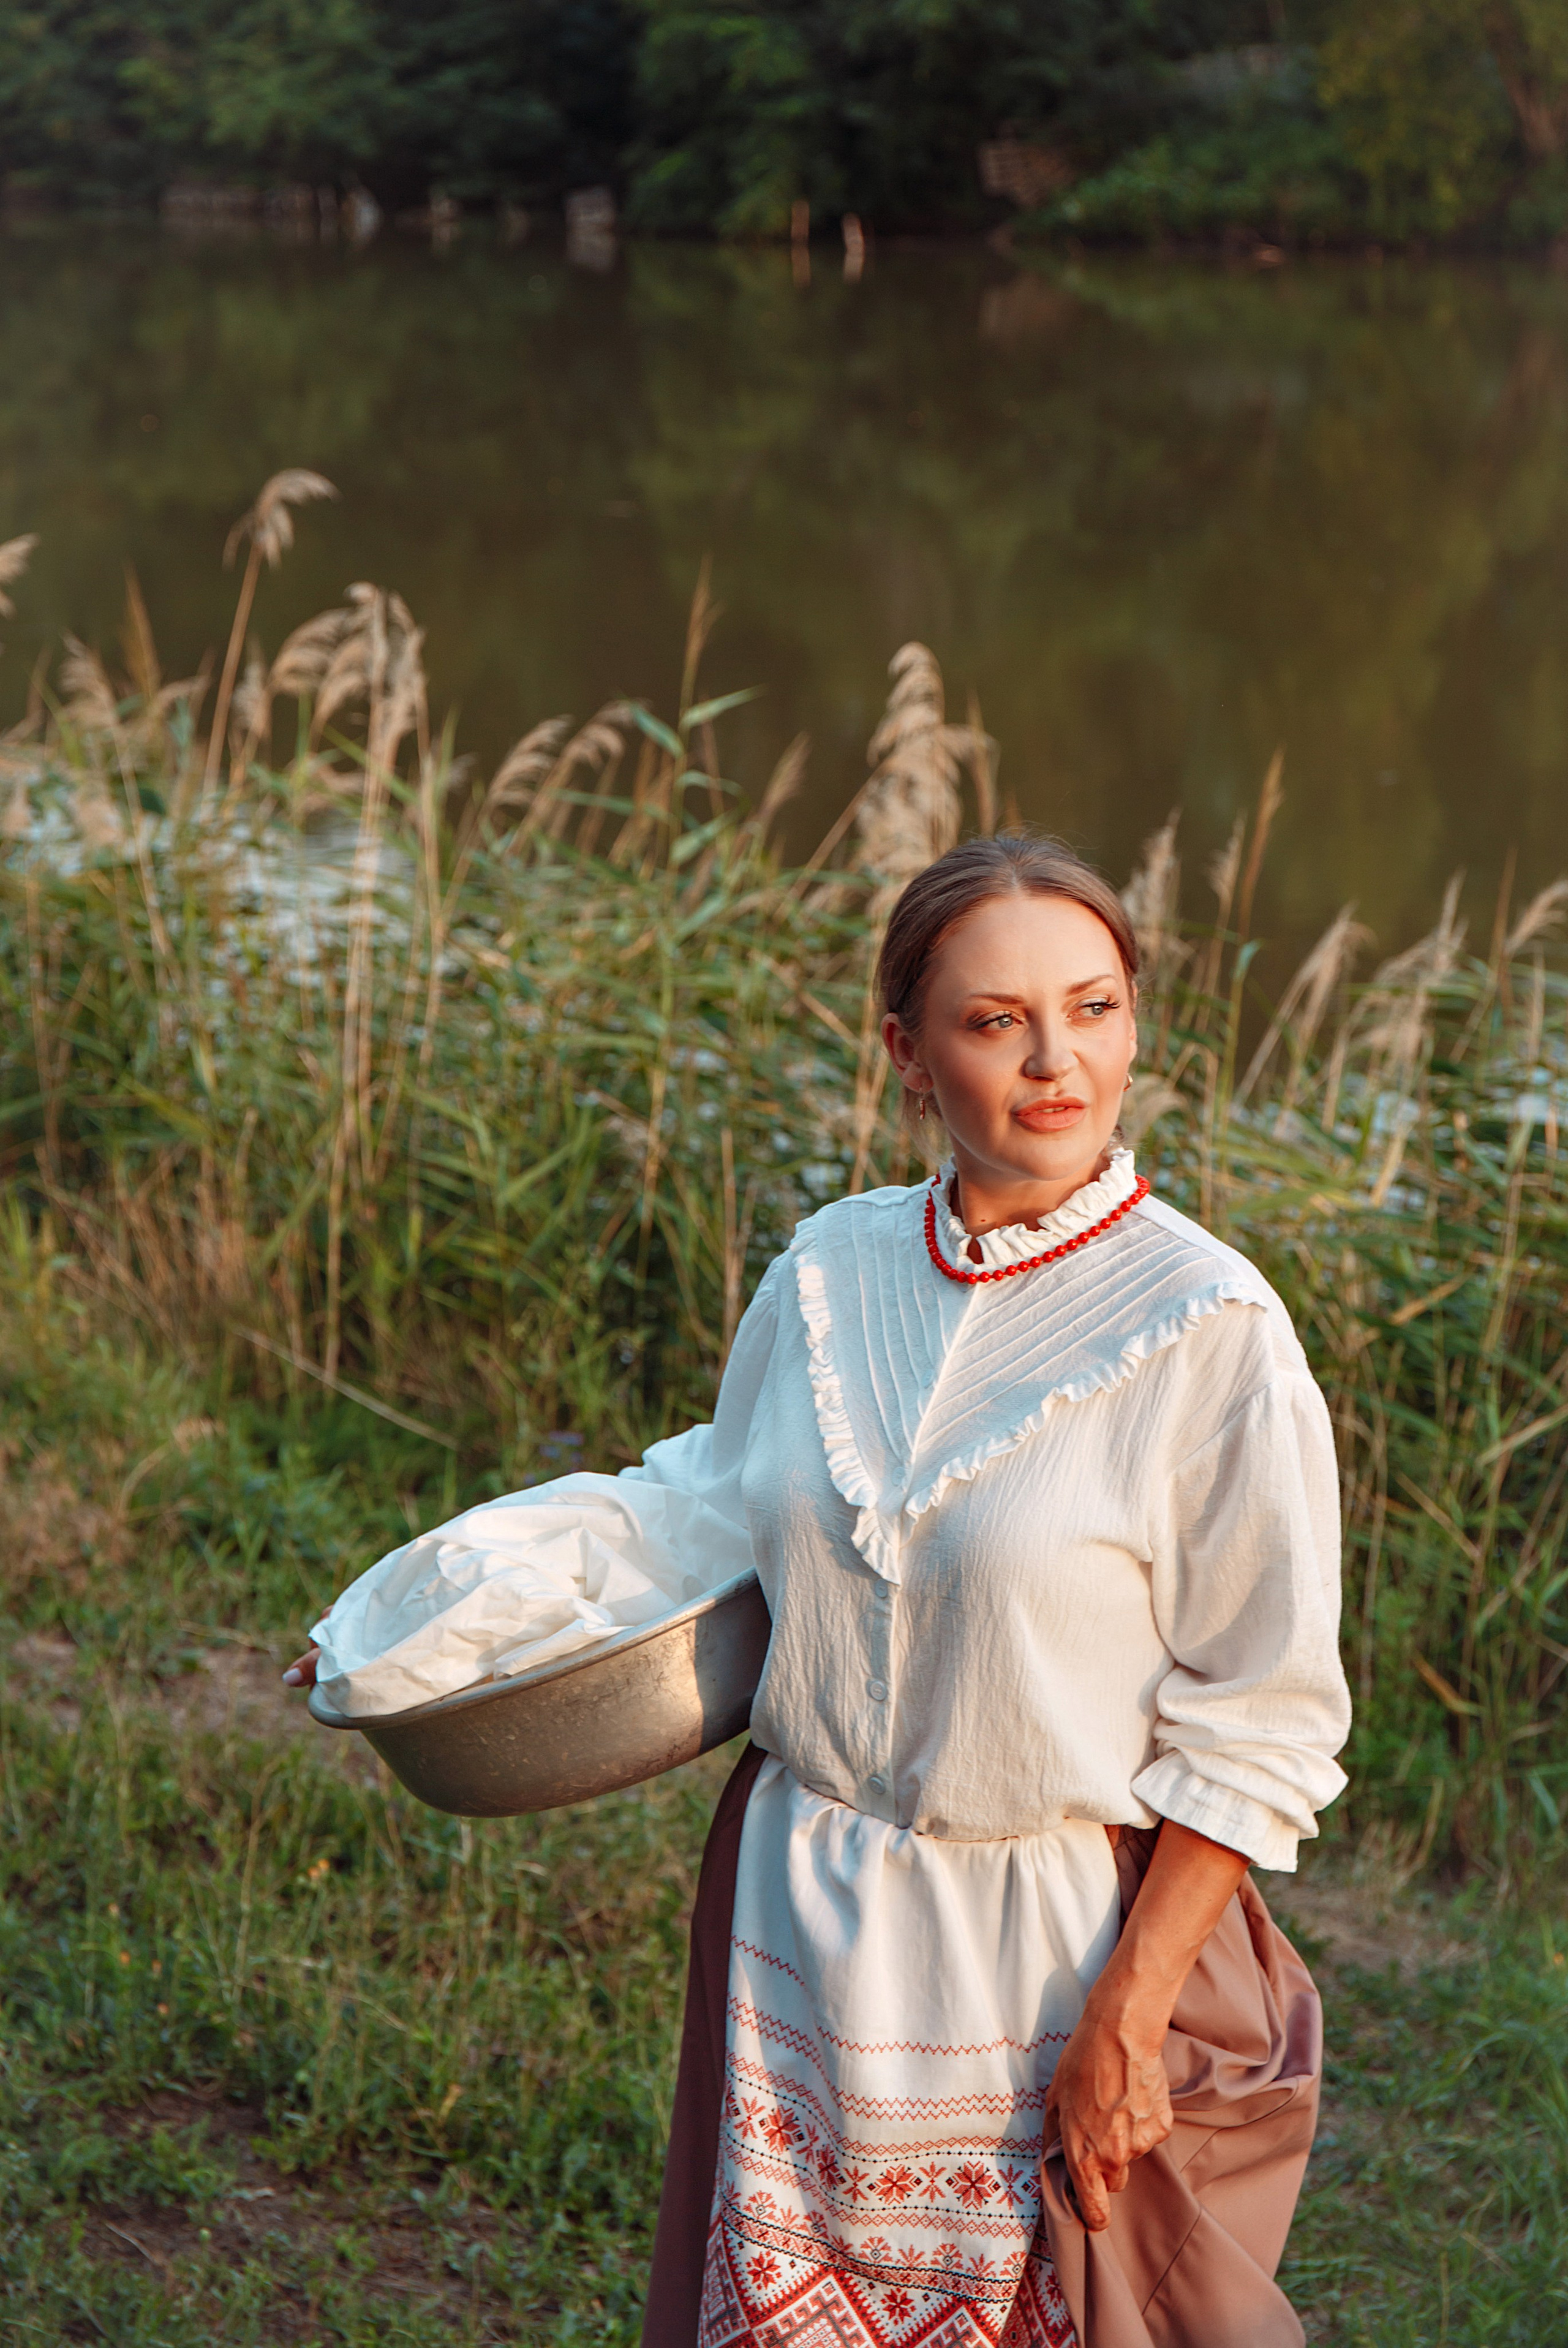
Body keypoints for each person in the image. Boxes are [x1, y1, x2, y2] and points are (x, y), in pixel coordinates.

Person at [287, 834, 1351, 2348]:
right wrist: (390, 1634)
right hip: (800, 1922)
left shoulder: (1208, 1334)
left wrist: (1129, 2005)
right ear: (906, 1053)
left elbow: (1263, 1719)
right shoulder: (826, 1272)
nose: (1058, 1063)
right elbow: (689, 1517)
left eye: (1094, 1008)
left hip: (1039, 1955)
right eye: (995, 1023)